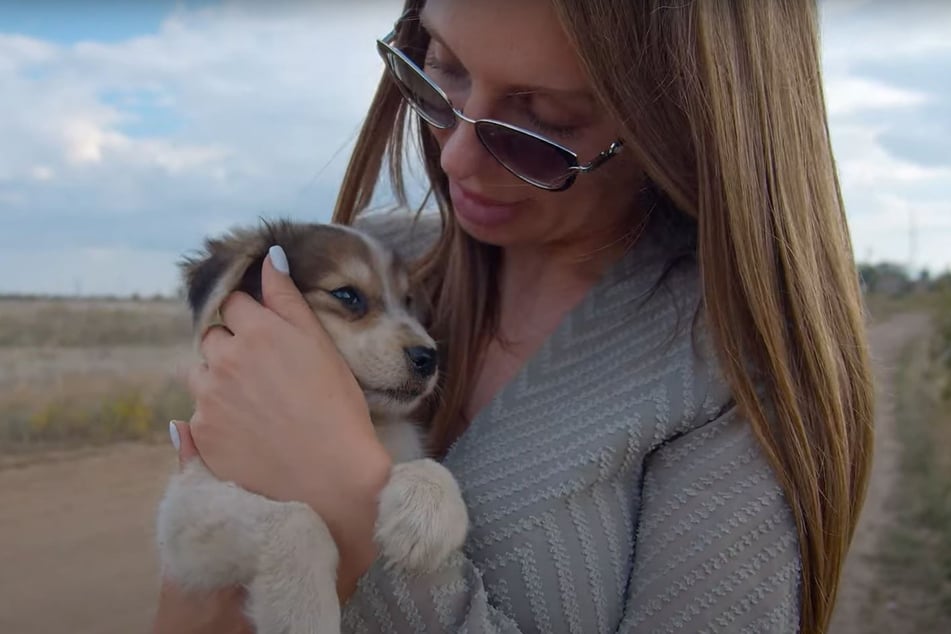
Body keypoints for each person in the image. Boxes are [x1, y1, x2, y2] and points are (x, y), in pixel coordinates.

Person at [151, 0, 874, 632]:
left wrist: (351, 511)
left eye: (545, 120)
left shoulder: (727, 374)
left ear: (683, 128)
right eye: (442, 71)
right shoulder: (389, 254)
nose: (459, 158)